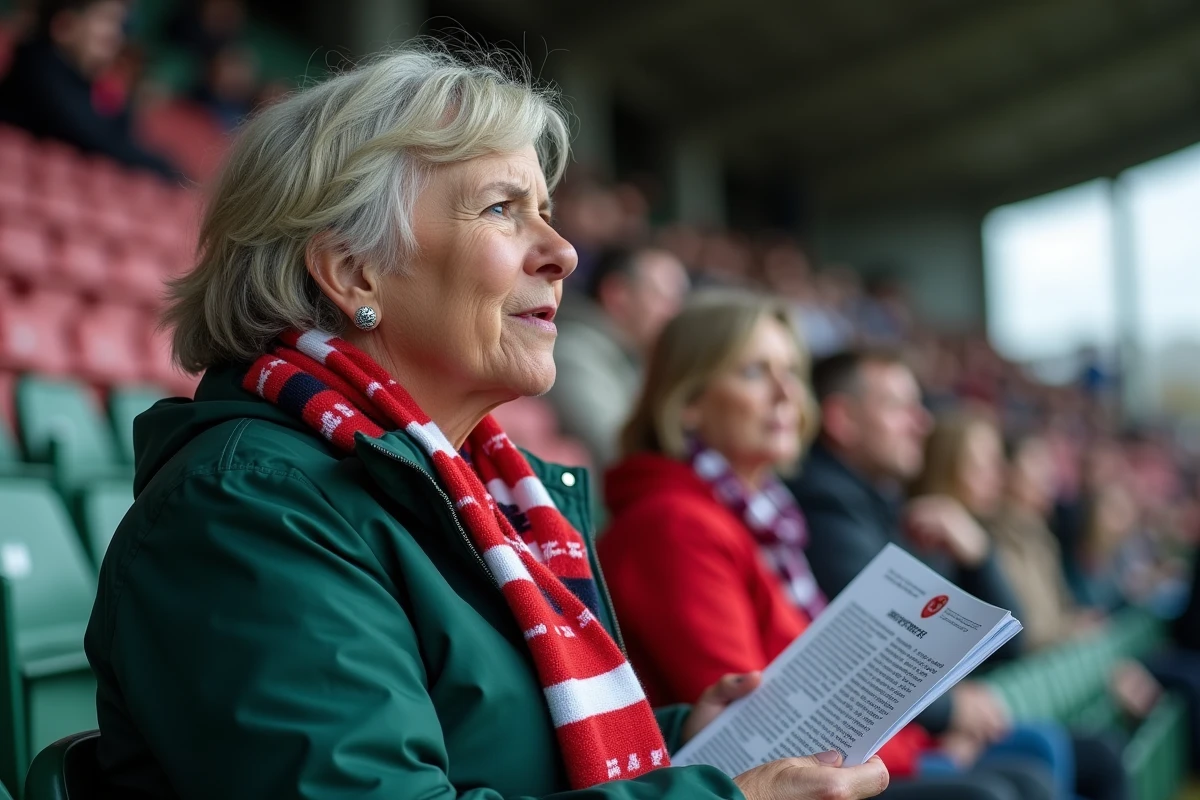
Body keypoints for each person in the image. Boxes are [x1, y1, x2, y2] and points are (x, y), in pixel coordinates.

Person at [83, 47, 889, 800]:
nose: (564, 252)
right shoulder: (247, 510)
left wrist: (691, 741)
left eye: (547, 211)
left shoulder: (479, 490)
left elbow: (501, 746)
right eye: (503, 209)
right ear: (354, 271)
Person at [599, 292, 1053, 800]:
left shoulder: (762, 519)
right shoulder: (675, 525)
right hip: (762, 784)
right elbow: (754, 731)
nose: (786, 393)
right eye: (754, 372)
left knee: (1026, 774)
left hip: (815, 768)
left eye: (791, 371)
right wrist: (925, 754)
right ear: (688, 403)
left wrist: (923, 750)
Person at [788, 350, 1130, 800]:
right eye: (898, 407)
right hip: (863, 746)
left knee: (1062, 759)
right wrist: (951, 711)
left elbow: (1002, 639)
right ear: (842, 419)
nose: (921, 422)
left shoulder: (880, 505)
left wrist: (979, 554)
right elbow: (884, 645)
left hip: (910, 732)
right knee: (1020, 775)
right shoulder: (832, 503)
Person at [545, 244, 690, 466]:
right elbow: (617, 453)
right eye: (664, 297)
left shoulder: (630, 357)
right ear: (618, 295)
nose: (675, 313)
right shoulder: (574, 354)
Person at [0, 0, 176, 176]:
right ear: (64, 26)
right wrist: (168, 170)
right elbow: (101, 140)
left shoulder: (77, 82)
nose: (115, 37)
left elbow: (117, 135)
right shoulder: (38, 71)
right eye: (106, 21)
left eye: (119, 25)